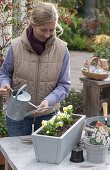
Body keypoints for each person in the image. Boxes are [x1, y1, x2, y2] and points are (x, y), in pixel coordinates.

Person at [0, 2, 71, 137]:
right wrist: (4, 84)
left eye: (52, 29)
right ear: (33, 25)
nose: (48, 34)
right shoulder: (15, 46)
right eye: (43, 30)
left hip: (48, 114)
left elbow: (64, 85)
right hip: (17, 113)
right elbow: (4, 72)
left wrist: (49, 101)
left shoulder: (62, 50)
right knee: (18, 155)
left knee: (45, 157)